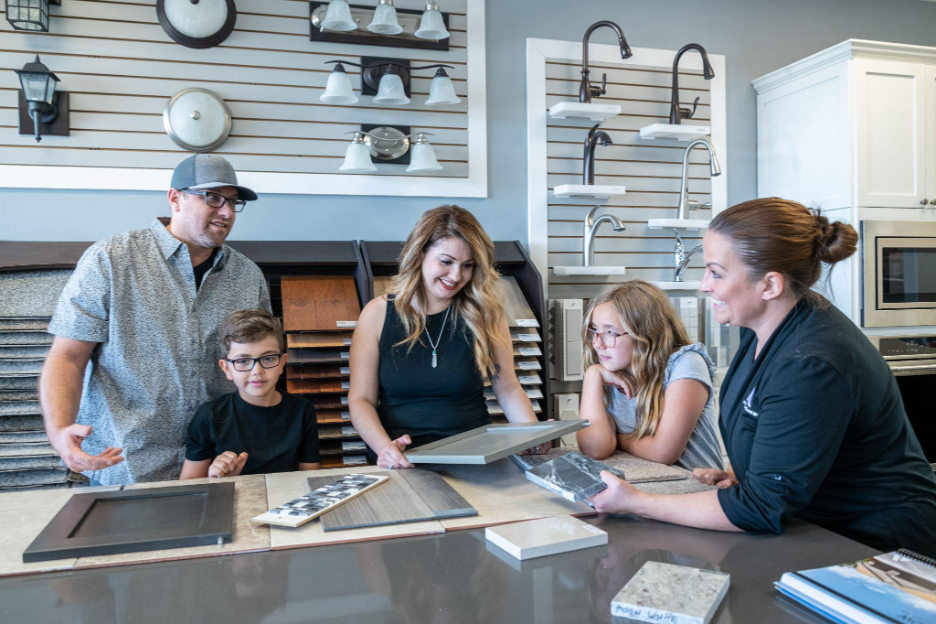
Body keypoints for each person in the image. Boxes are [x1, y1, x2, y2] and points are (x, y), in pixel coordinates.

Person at [591, 198, 936, 557]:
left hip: (876, 546)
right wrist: (750, 476)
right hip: (814, 526)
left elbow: (759, 508)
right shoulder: (764, 329)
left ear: (770, 285)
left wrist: (635, 502)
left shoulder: (810, 364)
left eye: (716, 272)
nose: (704, 286)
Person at [41, 154, 271, 485]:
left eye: (233, 202)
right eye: (213, 198)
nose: (227, 212)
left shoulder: (247, 276)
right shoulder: (111, 259)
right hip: (128, 465)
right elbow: (67, 357)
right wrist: (60, 429)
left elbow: (260, 369)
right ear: (175, 198)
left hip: (221, 464)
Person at [349, 205, 544, 469]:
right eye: (446, 261)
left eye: (468, 266)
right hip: (403, 461)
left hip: (476, 457)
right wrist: (384, 448)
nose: (456, 276)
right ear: (420, 254)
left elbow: (507, 388)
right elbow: (361, 399)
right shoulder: (377, 315)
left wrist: (531, 434)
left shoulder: (486, 315)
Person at [576, 281, 724, 471]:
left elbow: (663, 453)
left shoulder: (686, 363)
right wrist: (592, 376)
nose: (598, 344)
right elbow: (595, 449)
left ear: (645, 334)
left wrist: (618, 438)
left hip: (695, 490)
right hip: (648, 489)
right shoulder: (609, 374)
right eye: (595, 330)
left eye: (611, 332)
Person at [180, 309, 320, 479]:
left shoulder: (302, 410)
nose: (257, 371)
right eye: (243, 361)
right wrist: (218, 479)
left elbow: (309, 477)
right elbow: (189, 487)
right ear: (227, 368)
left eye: (268, 358)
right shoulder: (209, 416)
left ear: (282, 363)